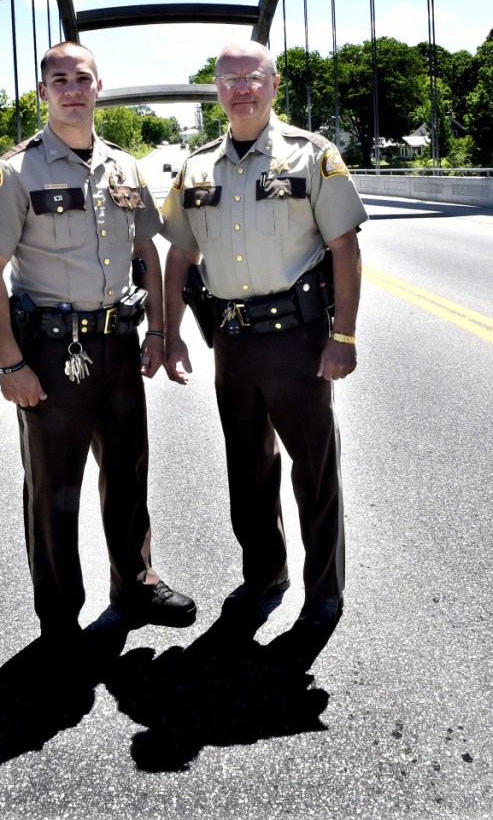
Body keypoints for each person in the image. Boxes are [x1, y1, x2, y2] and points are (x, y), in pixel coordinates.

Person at [0, 40, 196, 643]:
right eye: (59, 79)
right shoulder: (15, 172)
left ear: (99, 88)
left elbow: (146, 250)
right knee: (54, 490)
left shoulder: (124, 168)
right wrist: (9, 364)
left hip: (118, 348)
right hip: (49, 352)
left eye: (83, 78)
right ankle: (60, 620)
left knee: (128, 474)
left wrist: (158, 331)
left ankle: (136, 583)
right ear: (43, 92)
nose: (72, 89)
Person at [161, 39, 367, 630]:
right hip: (231, 343)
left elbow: (345, 247)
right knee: (247, 470)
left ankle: (323, 589)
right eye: (229, 79)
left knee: (314, 470)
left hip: (298, 342)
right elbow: (180, 255)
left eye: (253, 77)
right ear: (218, 89)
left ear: (274, 85)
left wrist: (343, 337)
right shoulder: (197, 168)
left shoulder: (312, 155)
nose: (241, 88)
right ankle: (264, 573)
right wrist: (171, 334)